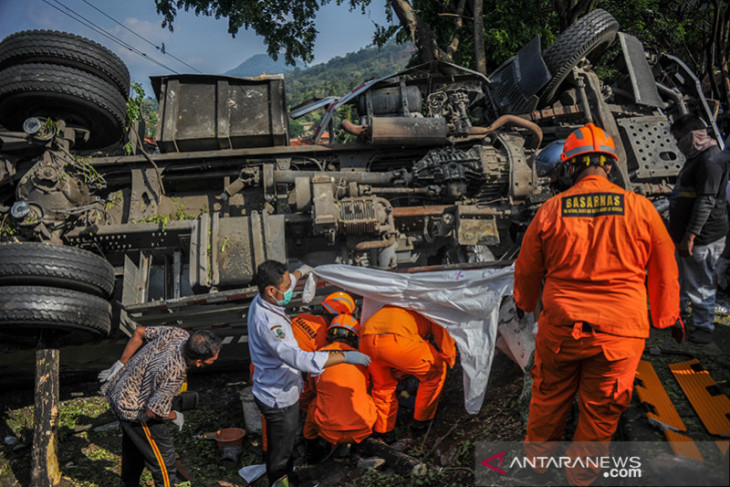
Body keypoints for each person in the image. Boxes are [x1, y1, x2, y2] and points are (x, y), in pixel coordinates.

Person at [514, 123, 681, 486]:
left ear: (570, 166)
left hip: (561, 329)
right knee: (601, 412)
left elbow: (526, 270)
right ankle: (581, 478)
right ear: (609, 164)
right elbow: (665, 265)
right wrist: (667, 315)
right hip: (620, 334)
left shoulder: (550, 210)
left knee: (548, 401)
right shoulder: (641, 208)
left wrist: (525, 304)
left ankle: (536, 470)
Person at [247, 260, 371, 486]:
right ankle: (281, 482)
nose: (289, 290)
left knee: (283, 444)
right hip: (277, 395)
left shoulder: (263, 300)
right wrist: (344, 356)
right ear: (271, 290)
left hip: (279, 387)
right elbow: (300, 359)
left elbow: (288, 282)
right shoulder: (269, 324)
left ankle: (288, 477)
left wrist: (300, 272)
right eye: (286, 287)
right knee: (281, 450)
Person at [98, 326, 222, 487]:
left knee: (135, 447)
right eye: (211, 361)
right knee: (164, 459)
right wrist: (176, 416)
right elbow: (153, 412)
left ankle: (128, 484)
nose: (213, 362)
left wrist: (122, 362)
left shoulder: (177, 334)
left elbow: (139, 332)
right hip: (133, 409)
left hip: (119, 389)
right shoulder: (174, 372)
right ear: (198, 363)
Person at [669, 114, 728, 344]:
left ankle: (704, 326)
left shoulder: (710, 159)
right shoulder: (697, 156)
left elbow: (706, 200)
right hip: (686, 234)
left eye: (680, 139)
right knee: (683, 279)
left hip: (702, 236)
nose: (678, 144)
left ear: (694, 136)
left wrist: (690, 236)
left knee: (700, 282)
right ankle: (679, 315)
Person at [359, 305, 456, 442]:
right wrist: (449, 357)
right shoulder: (434, 306)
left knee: (383, 387)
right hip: (397, 339)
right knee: (435, 372)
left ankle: (384, 432)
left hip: (366, 340)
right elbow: (442, 331)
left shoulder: (398, 303)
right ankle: (421, 423)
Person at [302, 314, 377, 457]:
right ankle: (367, 446)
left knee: (313, 403)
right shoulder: (362, 358)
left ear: (329, 335)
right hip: (362, 430)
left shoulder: (318, 357)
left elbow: (312, 389)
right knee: (368, 398)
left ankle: (310, 449)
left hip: (328, 431)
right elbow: (368, 385)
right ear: (354, 337)